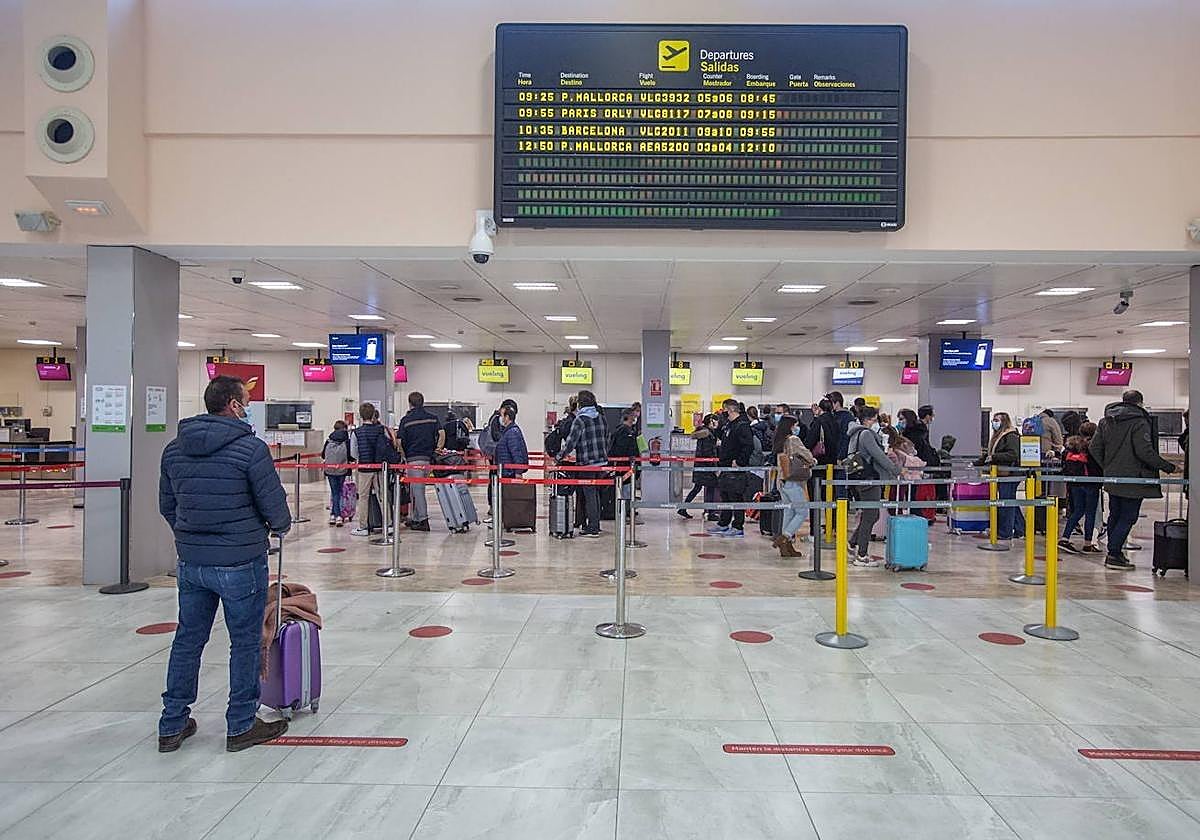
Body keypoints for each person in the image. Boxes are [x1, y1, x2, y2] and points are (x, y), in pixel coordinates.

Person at [157, 375, 292, 753]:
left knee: (188, 639)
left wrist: (191, 535)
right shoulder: (250, 449)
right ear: (233, 405)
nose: (247, 407)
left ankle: (172, 723)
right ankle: (241, 724)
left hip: (192, 562)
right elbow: (274, 505)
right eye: (245, 401)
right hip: (240, 560)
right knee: (245, 643)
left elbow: (167, 505)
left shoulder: (174, 449)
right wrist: (278, 526)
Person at [1090, 389, 1178, 570]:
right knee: (1128, 517)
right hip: (1134, 480)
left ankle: (1114, 552)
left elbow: (1094, 447)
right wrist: (1169, 467)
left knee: (1115, 515)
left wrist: (1107, 467)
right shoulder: (1139, 422)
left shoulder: (1106, 421)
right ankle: (1114, 553)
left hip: (1113, 479)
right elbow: (1144, 451)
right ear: (1140, 403)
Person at [846, 406, 901, 565]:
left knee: (871, 514)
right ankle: (862, 555)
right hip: (869, 478)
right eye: (876, 419)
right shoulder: (866, 434)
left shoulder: (855, 433)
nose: (878, 423)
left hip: (860, 477)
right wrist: (896, 469)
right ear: (869, 419)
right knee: (871, 515)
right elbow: (878, 456)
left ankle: (853, 543)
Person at [559, 389, 608, 537]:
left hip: (586, 463)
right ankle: (595, 523)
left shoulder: (580, 420)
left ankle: (592, 527)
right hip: (601, 462)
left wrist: (559, 456)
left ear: (580, 404)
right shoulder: (601, 418)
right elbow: (607, 437)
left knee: (589, 494)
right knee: (595, 493)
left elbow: (570, 443)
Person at [975, 412, 1024, 543]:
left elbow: (1013, 454)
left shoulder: (1011, 436)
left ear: (1004, 422)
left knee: (1006, 502)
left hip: (1010, 474)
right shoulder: (998, 436)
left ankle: (1005, 532)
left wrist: (994, 457)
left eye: (997, 420)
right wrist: (976, 463)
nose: (994, 423)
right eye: (993, 420)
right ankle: (1020, 528)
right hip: (1002, 473)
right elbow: (989, 455)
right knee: (1010, 501)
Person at [398, 391, 444, 532]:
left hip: (413, 459)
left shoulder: (406, 420)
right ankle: (416, 518)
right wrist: (437, 450)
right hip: (428, 459)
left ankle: (423, 520)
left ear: (410, 403)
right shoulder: (432, 418)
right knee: (415, 489)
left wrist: (404, 456)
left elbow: (399, 442)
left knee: (417, 491)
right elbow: (442, 434)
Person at [710, 398, 756, 538]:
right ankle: (724, 523)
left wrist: (740, 461)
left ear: (730, 410)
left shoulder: (742, 425)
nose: (723, 413)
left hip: (735, 468)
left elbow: (748, 445)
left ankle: (737, 526)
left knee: (736, 496)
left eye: (724, 410)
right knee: (725, 496)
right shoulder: (729, 424)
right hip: (725, 466)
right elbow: (726, 439)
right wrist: (717, 428)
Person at [772, 415, 815, 557]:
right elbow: (807, 455)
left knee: (788, 512)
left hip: (781, 480)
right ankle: (785, 537)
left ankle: (786, 547)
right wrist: (813, 461)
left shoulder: (779, 440)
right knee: (802, 512)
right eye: (795, 425)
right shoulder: (793, 440)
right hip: (793, 481)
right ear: (790, 426)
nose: (797, 428)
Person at [1059, 422, 1103, 555]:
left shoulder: (1071, 446)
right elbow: (1099, 464)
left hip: (1075, 484)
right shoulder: (1094, 446)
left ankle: (1065, 538)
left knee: (1077, 511)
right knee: (1090, 513)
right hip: (1091, 483)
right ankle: (1088, 544)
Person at [350, 403, 389, 537]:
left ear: (361, 416)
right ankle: (388, 524)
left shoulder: (356, 432)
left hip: (364, 468)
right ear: (373, 415)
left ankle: (363, 527)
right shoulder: (381, 430)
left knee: (363, 497)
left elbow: (353, 453)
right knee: (382, 496)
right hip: (380, 467)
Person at [678, 413, 720, 519]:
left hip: (700, 465)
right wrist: (714, 467)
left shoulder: (704, 433)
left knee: (697, 488)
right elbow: (708, 452)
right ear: (711, 422)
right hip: (707, 466)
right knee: (710, 487)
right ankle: (710, 513)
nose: (717, 423)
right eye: (716, 421)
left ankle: (683, 508)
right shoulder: (708, 434)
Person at [322, 420, 352, 526]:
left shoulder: (328, 441)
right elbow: (350, 456)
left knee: (334, 492)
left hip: (330, 470)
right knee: (338, 492)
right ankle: (338, 516)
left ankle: (333, 515)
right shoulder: (346, 441)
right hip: (342, 469)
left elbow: (323, 455)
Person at [494, 404, 529, 478]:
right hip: (506, 472)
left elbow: (517, 453)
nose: (500, 418)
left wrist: (518, 472)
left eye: (502, 416)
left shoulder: (512, 433)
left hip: (510, 474)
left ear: (507, 417)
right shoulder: (507, 431)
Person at [805, 398, 841, 468]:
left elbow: (810, 440)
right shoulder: (836, 421)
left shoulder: (819, 421)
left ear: (820, 408)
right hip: (834, 458)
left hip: (821, 458)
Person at [828, 392, 855, 459]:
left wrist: (841, 456)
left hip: (841, 454)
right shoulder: (832, 415)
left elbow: (846, 438)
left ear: (837, 403)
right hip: (832, 454)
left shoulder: (847, 417)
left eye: (830, 403)